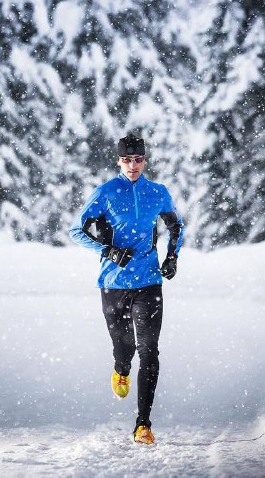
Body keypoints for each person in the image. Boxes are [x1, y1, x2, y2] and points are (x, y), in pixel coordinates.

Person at [69, 134, 184, 445]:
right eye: (127, 160)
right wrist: (108, 251)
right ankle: (121, 368)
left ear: (145, 161)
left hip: (149, 283)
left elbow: (177, 225)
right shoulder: (106, 193)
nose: (133, 165)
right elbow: (75, 230)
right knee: (126, 350)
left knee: (149, 351)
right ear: (118, 161)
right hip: (113, 284)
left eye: (138, 160)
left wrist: (172, 257)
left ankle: (142, 424)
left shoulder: (156, 192)